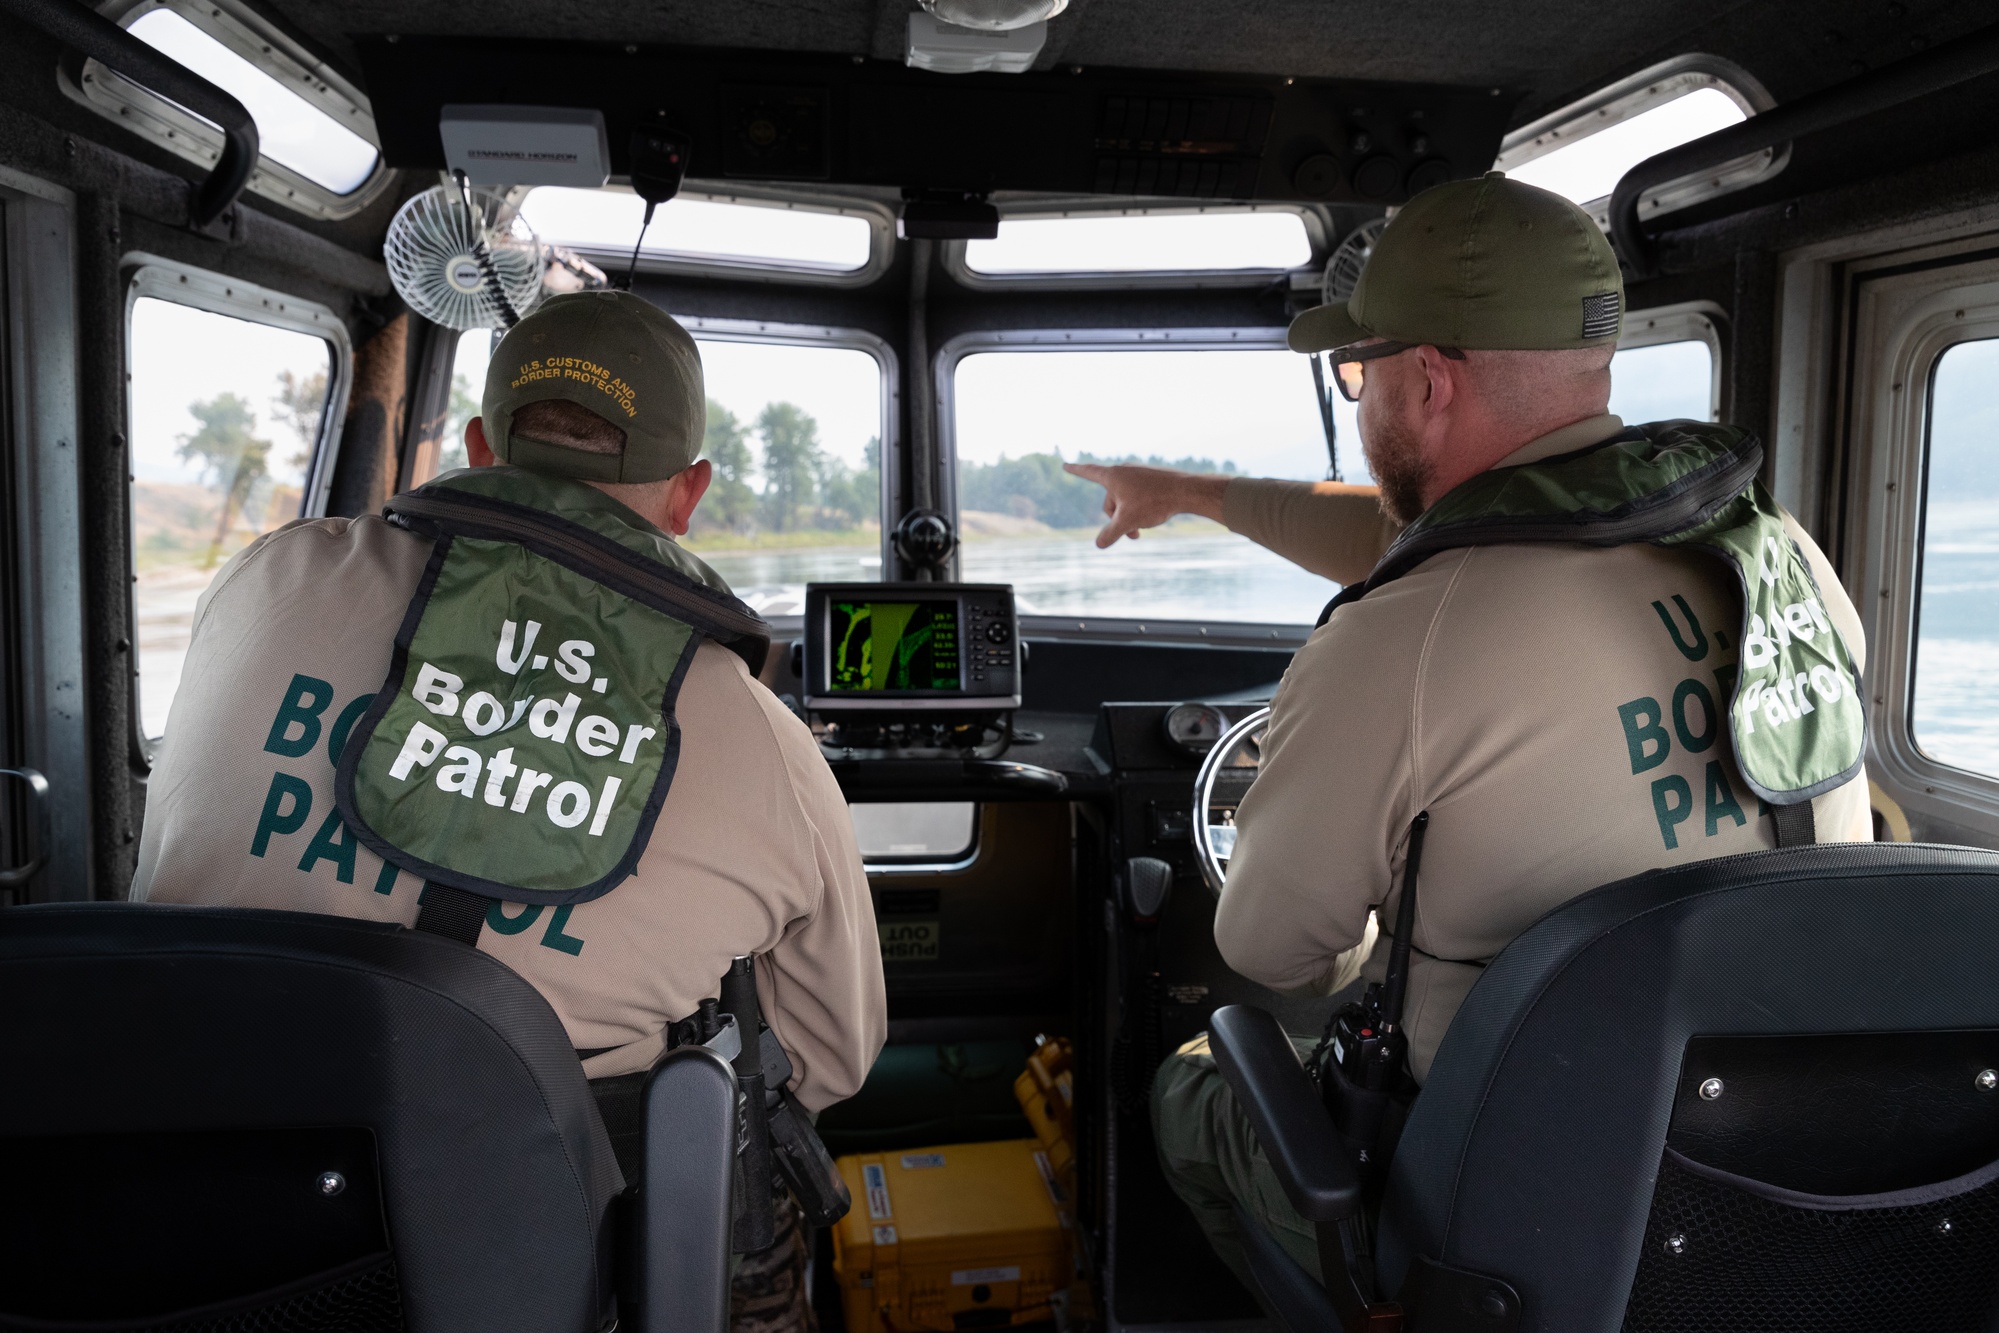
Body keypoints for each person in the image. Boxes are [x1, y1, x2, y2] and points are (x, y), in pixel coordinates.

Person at [1076, 173, 1873, 1287]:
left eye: (1361, 369)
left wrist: (1372, 914)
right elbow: (1428, 540)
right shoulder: (1773, 552)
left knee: (1196, 1084)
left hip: (1520, 1205)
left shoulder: (1396, 640)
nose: (1358, 402)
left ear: (1427, 379)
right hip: (1802, 1174)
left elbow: (1275, 955)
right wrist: (1197, 494)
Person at [133, 290, 885, 1331]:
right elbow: (829, 1056)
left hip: (188, 1218)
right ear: (689, 493)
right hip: (544, 1252)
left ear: (484, 444)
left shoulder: (271, 579)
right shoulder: (761, 740)